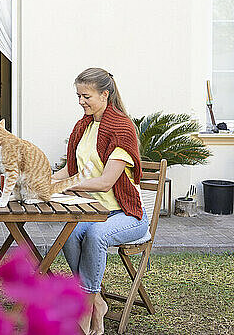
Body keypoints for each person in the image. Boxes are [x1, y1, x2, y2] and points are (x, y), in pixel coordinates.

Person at [51, 68, 149, 335]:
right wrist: (44, 181)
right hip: (92, 211)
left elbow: (106, 182)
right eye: (79, 96)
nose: (81, 101)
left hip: (126, 215)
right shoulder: (84, 125)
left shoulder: (121, 128)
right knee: (69, 235)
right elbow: (71, 170)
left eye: (86, 96)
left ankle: (84, 310)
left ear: (105, 94)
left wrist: (64, 185)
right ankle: (97, 303)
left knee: (94, 234)